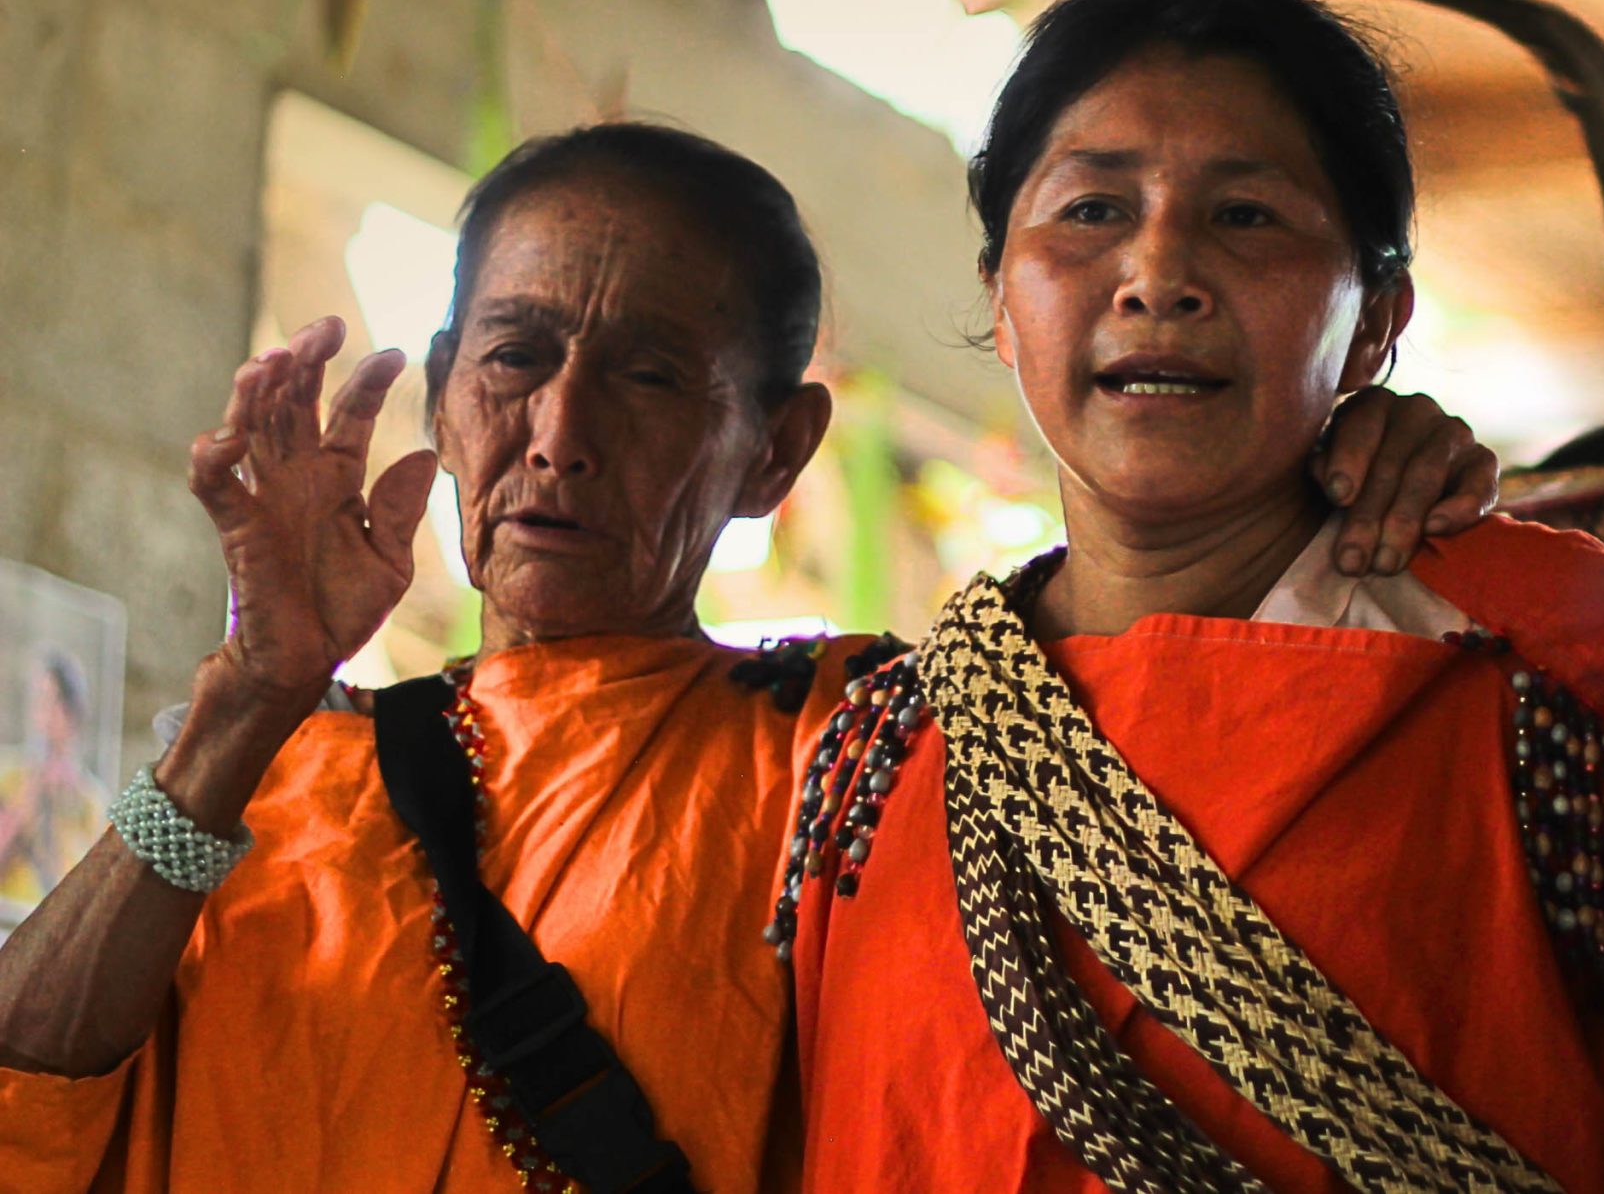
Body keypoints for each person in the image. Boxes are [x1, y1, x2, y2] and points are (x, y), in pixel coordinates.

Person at [0, 121, 1492, 1193]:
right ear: (446, 392)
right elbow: (28, 1090)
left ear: (775, 449)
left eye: (651, 375)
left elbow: (1186, 694)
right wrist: (242, 706)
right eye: (514, 356)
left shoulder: (859, 751)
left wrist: (1331, 459)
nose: (561, 432)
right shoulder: (278, 778)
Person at [780, 0, 1604, 1192]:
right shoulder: (871, 754)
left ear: (1376, 319)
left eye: (1245, 216)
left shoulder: (1555, 709)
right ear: (998, 292)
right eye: (1090, 211)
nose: (1157, 274)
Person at [0, 652, 110, 907]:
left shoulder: (90, 799)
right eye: (42, 701)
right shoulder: (10, 776)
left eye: (58, 703)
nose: (48, 715)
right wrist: (29, 799)